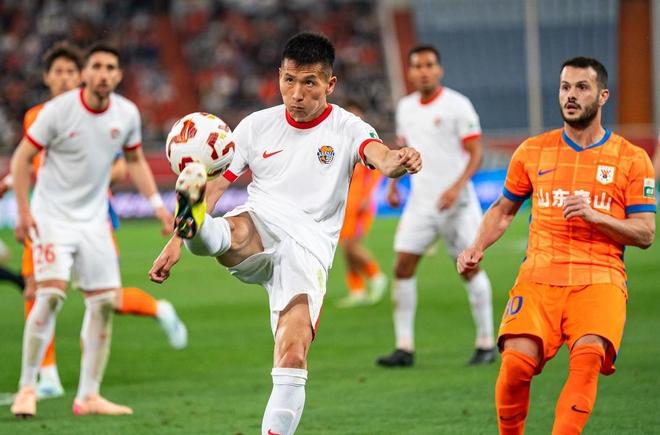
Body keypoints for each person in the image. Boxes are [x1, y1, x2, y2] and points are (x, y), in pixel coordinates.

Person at [149, 32, 421, 435]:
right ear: (279, 75)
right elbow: (217, 186)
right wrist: (175, 240)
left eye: (309, 82)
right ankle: (196, 234)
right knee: (234, 232)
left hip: (309, 250)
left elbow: (379, 157)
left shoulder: (348, 128)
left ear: (330, 84)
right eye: (289, 80)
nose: (296, 93)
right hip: (262, 221)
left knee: (292, 357)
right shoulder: (256, 126)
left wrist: (399, 160)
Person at [457, 57, 656, 434]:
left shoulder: (631, 159)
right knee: (515, 366)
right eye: (565, 87)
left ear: (603, 96)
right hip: (539, 275)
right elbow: (502, 210)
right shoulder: (533, 151)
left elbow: (645, 233)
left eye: (582, 87)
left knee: (587, 361)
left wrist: (597, 217)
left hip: (600, 278)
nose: (570, 95)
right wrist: (476, 246)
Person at [0, 41, 187, 402]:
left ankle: (156, 311)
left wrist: (152, 202)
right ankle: (43, 378)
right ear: (47, 77)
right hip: (48, 215)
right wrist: (14, 190)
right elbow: (32, 161)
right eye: (59, 72)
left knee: (105, 299)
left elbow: (124, 164)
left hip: (94, 215)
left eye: (70, 71)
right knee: (39, 291)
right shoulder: (42, 115)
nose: (65, 78)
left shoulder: (121, 114)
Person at [377, 44, 495, 367]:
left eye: (429, 65)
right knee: (402, 266)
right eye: (418, 66)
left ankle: (486, 342)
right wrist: (393, 184)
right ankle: (404, 347)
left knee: (469, 268)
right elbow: (403, 150)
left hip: (458, 204)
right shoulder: (405, 108)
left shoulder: (458, 105)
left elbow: (476, 153)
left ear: (439, 69)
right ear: (410, 71)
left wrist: (456, 187)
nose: (424, 71)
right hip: (421, 202)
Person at [335, 99, 387, 308]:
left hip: (359, 204)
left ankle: (376, 276)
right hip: (344, 204)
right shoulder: (340, 141)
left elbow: (376, 173)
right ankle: (357, 290)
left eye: (357, 115)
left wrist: (368, 196)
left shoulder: (367, 140)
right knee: (346, 249)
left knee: (351, 246)